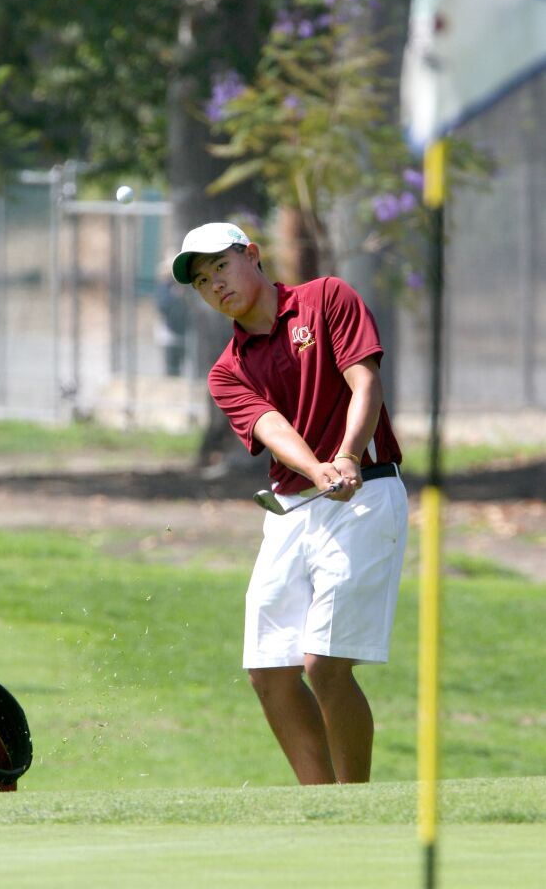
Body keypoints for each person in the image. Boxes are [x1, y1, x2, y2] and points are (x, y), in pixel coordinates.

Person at [171, 222, 408, 785]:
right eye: (202, 281)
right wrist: (316, 468)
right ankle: (319, 805)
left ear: (251, 255)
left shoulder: (326, 297)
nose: (215, 285)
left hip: (365, 494)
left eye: (221, 267)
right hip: (292, 509)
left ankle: (354, 806)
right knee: (267, 671)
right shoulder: (227, 369)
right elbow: (272, 427)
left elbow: (364, 383)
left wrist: (347, 456)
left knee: (324, 666)